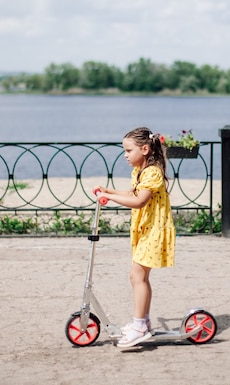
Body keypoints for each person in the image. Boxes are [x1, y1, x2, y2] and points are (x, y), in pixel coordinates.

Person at [93, 127, 176, 348]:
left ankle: (140, 326)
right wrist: (108, 191)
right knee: (139, 277)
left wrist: (109, 198)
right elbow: (132, 193)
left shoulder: (152, 173)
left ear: (145, 149)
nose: (125, 155)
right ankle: (144, 323)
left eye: (128, 150)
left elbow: (140, 201)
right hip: (145, 230)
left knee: (137, 276)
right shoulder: (141, 170)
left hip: (153, 231)